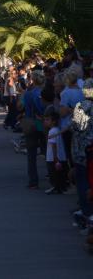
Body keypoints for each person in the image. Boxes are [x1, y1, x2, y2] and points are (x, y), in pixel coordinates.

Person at [70, 78, 93, 228]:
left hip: (81, 150)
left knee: (83, 181)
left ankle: (86, 211)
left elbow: (76, 127)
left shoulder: (81, 107)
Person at [22, 71, 46, 189]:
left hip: (30, 123)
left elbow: (21, 106)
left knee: (31, 155)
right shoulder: (43, 92)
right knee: (47, 151)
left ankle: (33, 181)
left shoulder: (27, 94)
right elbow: (43, 108)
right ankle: (53, 177)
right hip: (42, 123)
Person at [44, 109, 69, 194]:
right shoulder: (58, 130)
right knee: (59, 174)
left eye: (48, 120)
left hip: (53, 158)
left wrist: (55, 159)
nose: (45, 121)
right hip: (60, 157)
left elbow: (53, 145)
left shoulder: (52, 131)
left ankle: (56, 187)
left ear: (54, 121)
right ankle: (60, 188)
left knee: (54, 174)